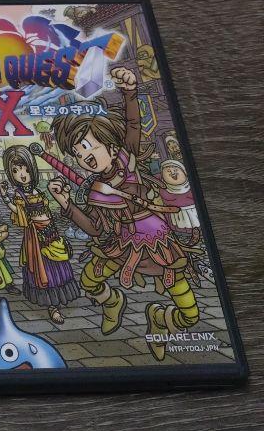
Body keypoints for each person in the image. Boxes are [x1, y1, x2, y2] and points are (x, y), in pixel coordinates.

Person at [49, 67, 198, 361]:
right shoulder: (95, 192)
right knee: (89, 281)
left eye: (87, 146)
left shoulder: (127, 157)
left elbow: (133, 124)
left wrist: (129, 92)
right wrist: (66, 204)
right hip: (119, 247)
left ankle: (160, 319)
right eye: (78, 153)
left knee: (190, 314)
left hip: (158, 245)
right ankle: (112, 303)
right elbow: (94, 228)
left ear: (107, 139)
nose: (85, 156)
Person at [0, 145, 79, 323]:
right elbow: (18, 212)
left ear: (31, 169)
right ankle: (53, 306)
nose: (22, 174)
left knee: (58, 264)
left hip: (51, 232)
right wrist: (5, 197)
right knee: (44, 269)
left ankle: (59, 299)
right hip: (35, 236)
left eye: (25, 169)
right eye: (16, 171)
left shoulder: (38, 191)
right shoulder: (19, 194)